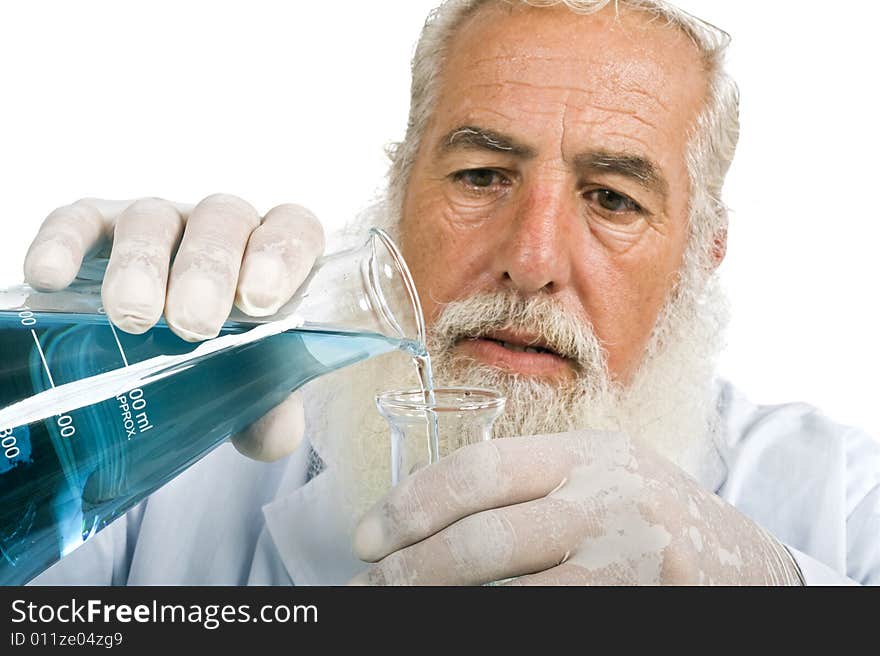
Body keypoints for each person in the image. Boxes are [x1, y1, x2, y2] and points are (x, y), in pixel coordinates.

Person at [23, 0, 879, 585]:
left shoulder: (836, 500)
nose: (533, 257)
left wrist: (771, 590)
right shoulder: (175, 470)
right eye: (480, 175)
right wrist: (44, 383)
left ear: (702, 255)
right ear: (394, 200)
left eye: (613, 198)